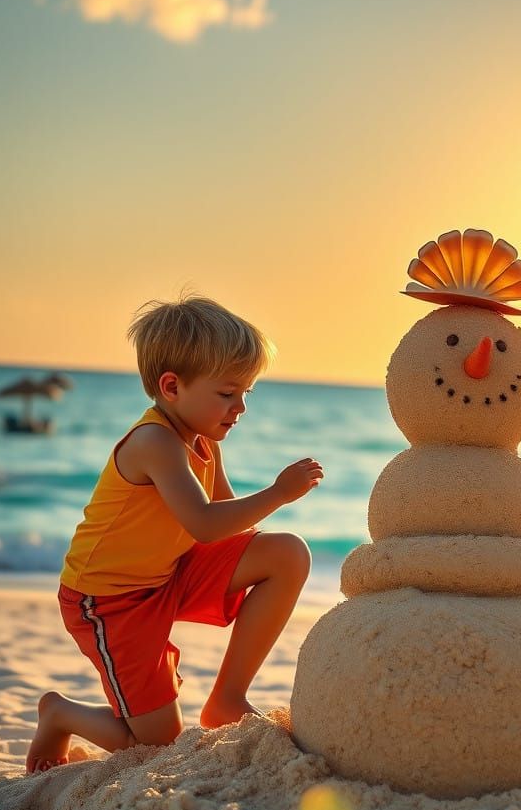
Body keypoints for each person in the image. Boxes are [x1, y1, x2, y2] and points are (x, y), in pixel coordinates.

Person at [27, 295, 323, 774]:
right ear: (171, 387)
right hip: (110, 601)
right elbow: (204, 524)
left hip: (169, 572)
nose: (241, 407)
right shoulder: (155, 442)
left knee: (287, 553)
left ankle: (227, 699)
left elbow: (228, 520)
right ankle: (61, 713)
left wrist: (260, 534)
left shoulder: (202, 440)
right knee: (156, 746)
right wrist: (278, 492)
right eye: (228, 393)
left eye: (246, 392)